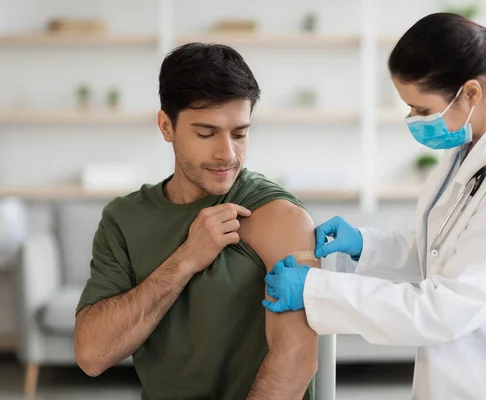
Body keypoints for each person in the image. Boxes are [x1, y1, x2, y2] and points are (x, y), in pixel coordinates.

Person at [263, 13, 486, 400]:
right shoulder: (468, 150)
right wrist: (366, 246)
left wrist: (318, 290)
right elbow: (444, 251)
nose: (413, 120)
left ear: (470, 93)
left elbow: (444, 308)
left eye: (420, 109)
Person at [74, 43, 320, 400]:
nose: (227, 154)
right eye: (206, 133)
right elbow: (91, 355)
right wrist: (186, 259)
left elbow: (296, 359)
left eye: (239, 133)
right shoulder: (123, 219)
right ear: (166, 126)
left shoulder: (278, 215)